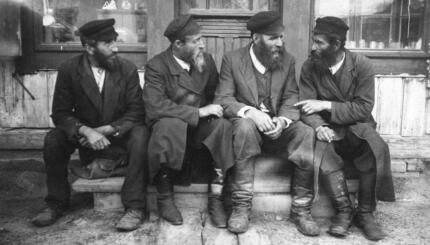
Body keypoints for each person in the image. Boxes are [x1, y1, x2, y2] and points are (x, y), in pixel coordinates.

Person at [31, 19, 149, 232]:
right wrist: (85, 130)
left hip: (117, 132)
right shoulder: (69, 69)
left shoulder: (127, 69)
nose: (115, 47)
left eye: (115, 41)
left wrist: (108, 129)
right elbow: (60, 113)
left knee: (141, 135)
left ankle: (135, 207)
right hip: (85, 135)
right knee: (54, 139)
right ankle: (56, 203)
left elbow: (136, 112)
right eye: (107, 43)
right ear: (89, 47)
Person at [214, 11, 319, 235]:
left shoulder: (287, 60)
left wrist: (283, 120)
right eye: (273, 38)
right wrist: (250, 112)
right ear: (255, 38)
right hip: (248, 131)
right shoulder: (232, 60)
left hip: (278, 129)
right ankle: (241, 207)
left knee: (305, 132)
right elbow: (223, 99)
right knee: (243, 126)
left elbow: (292, 96)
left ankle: (301, 209)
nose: (279, 43)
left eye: (281, 37)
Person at [296, 16, 395, 241]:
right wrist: (319, 126)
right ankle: (344, 211)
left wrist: (326, 105)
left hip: (357, 126)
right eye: (314, 41)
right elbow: (305, 106)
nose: (313, 47)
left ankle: (366, 213)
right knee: (323, 150)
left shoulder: (362, 65)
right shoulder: (310, 67)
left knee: (375, 147)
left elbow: (363, 107)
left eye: (319, 43)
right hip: (329, 128)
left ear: (336, 44)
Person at [143, 15, 234, 228]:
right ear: (178, 44)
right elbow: (155, 107)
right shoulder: (156, 66)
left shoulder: (206, 61)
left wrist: (213, 110)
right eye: (196, 41)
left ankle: (216, 198)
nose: (202, 45)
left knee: (223, 127)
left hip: (198, 131)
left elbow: (215, 94)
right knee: (167, 124)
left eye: (201, 39)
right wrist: (199, 112)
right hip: (172, 132)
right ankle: (165, 198)